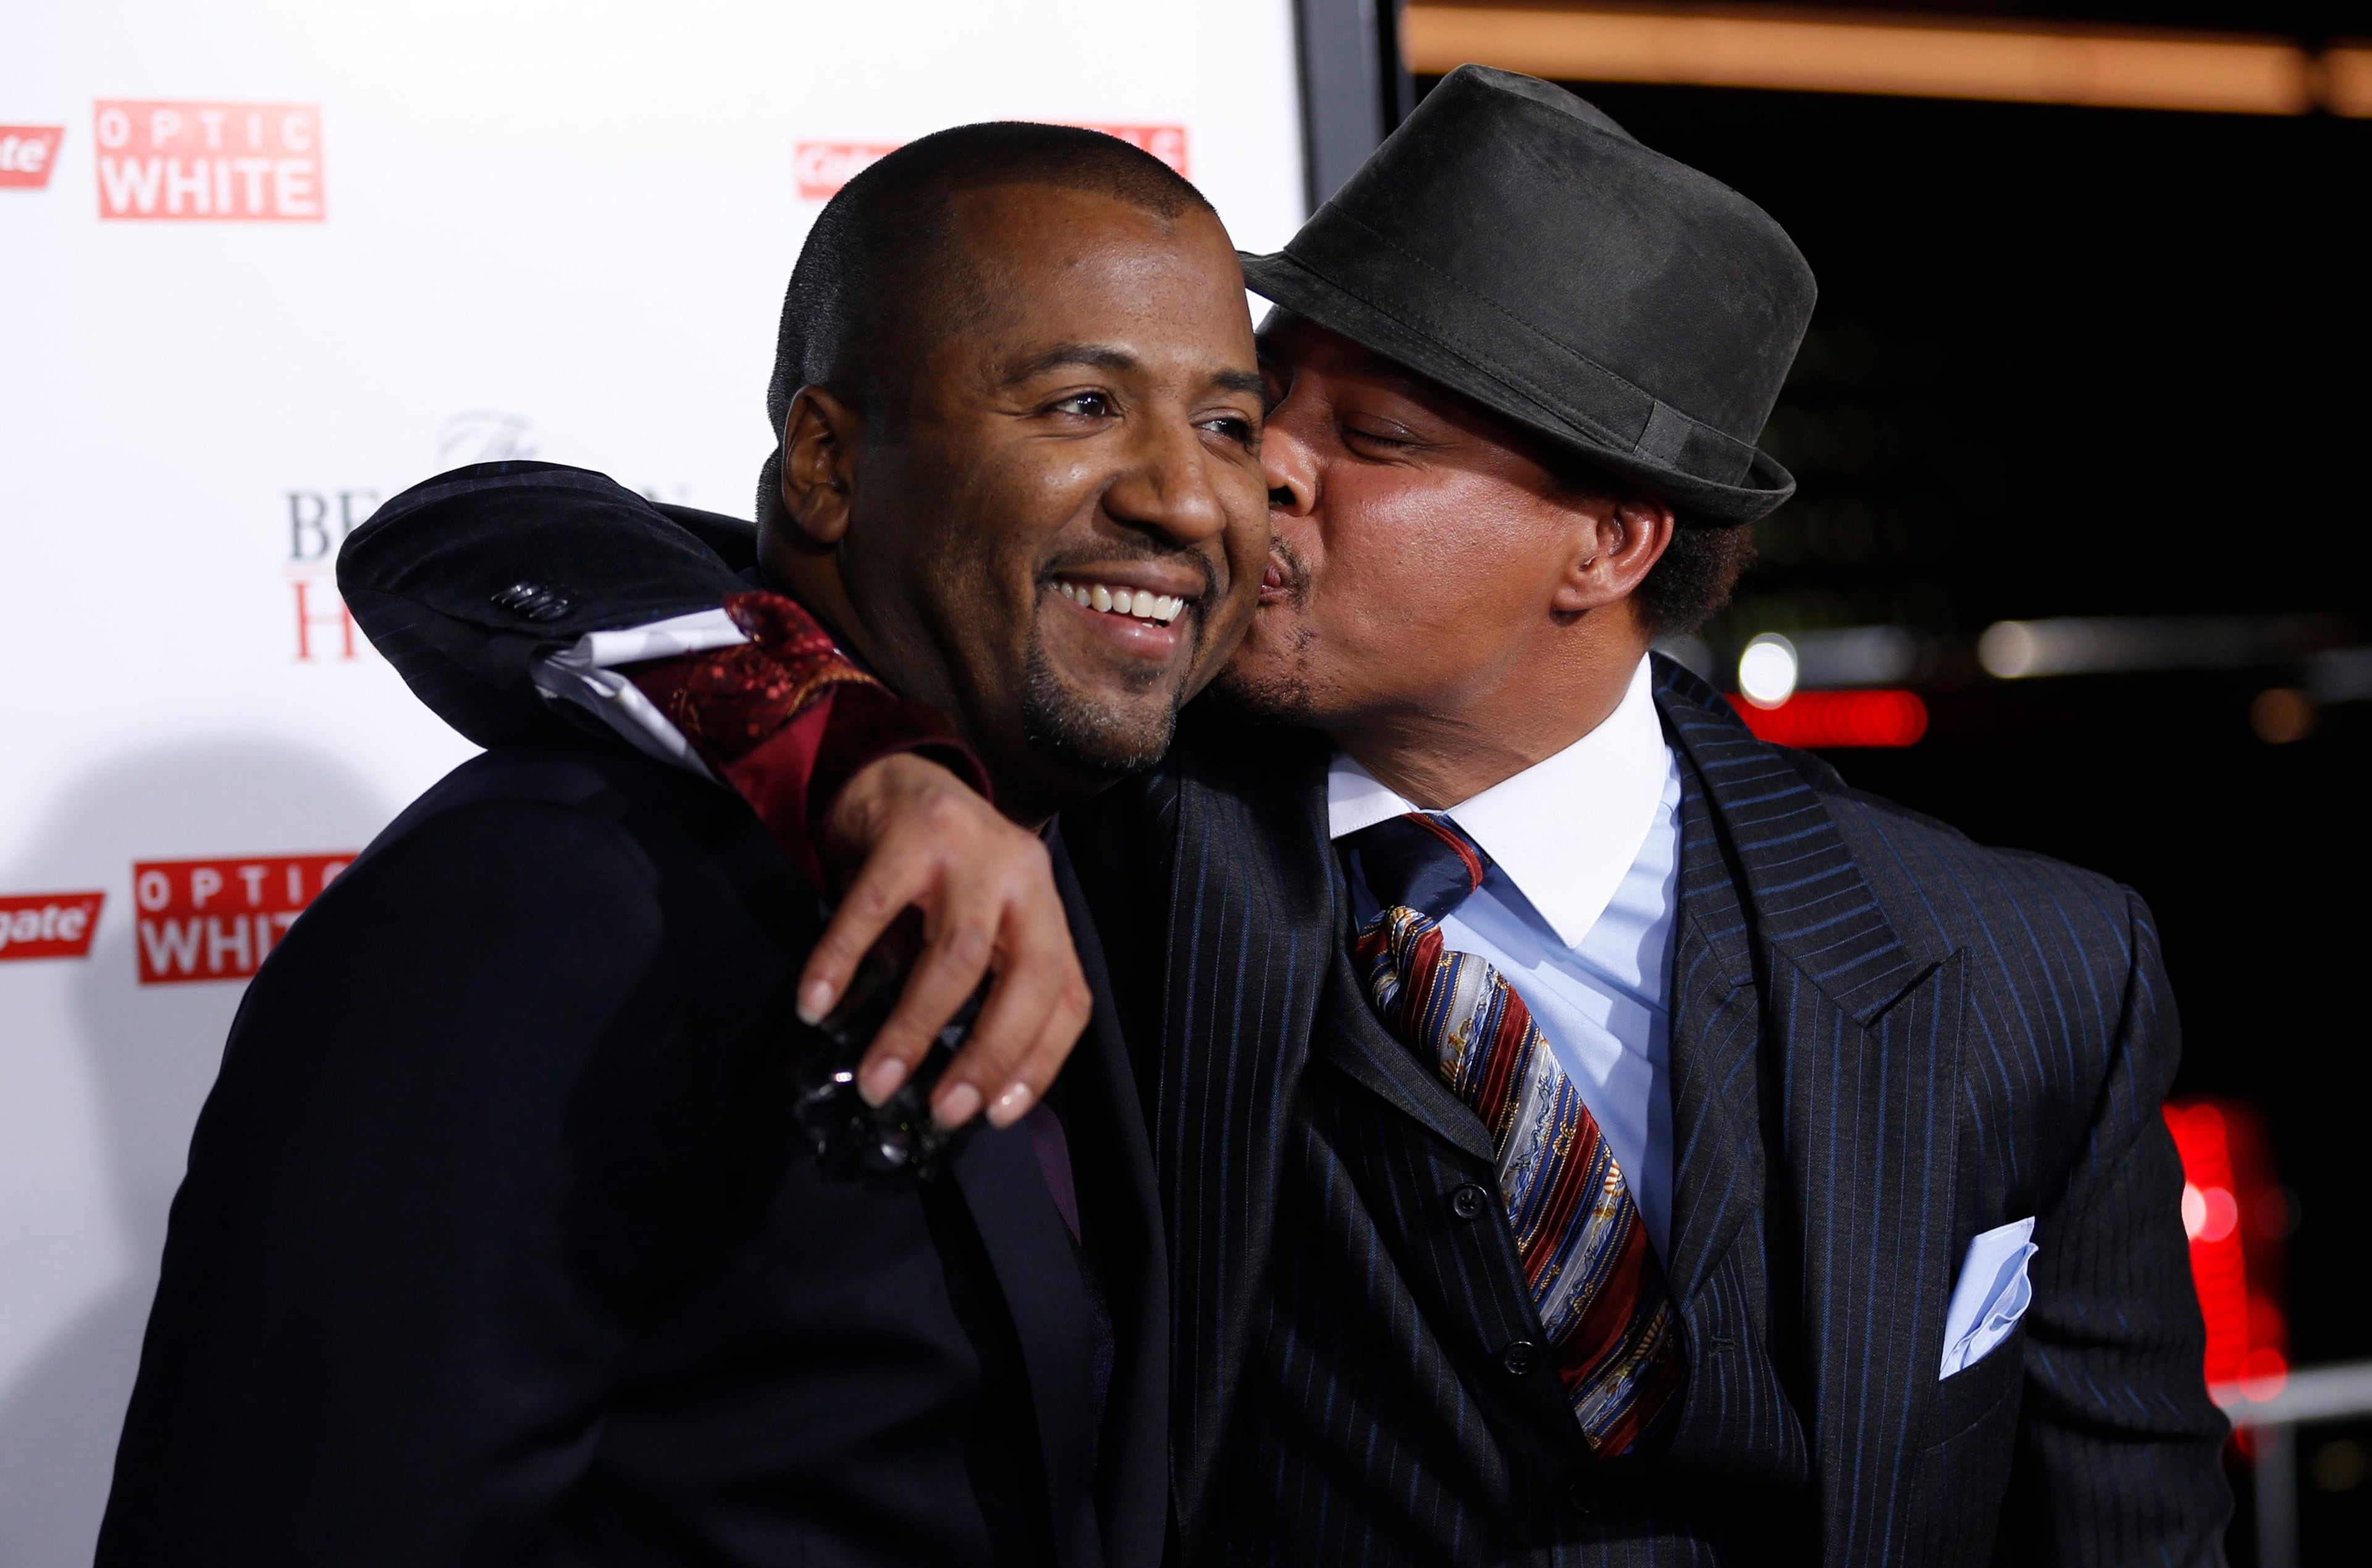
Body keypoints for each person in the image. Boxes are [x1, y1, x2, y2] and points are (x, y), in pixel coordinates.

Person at [339, 69, 2232, 1564]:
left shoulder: (2024, 963)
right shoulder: (1107, 790)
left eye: (1377, 441)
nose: (1257, 487)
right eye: (1264, 413)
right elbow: (487, 538)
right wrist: (841, 747)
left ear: (1613, 539)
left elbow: (2130, 1525)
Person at [96, 122, 1275, 1568]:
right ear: (829, 463)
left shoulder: (1133, 827)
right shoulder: (550, 894)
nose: (1187, 493)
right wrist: (830, 744)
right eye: (1083, 403)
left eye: (1230, 424)